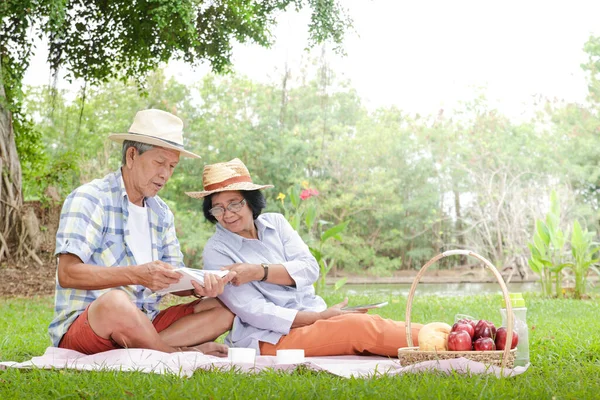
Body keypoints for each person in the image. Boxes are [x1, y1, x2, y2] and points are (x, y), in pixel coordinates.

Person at [185, 158, 422, 357]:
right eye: (218, 208)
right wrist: (318, 317)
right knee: (358, 328)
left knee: (369, 324)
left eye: (234, 203)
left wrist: (260, 271)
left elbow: (310, 269)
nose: (227, 214)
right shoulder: (216, 250)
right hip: (269, 338)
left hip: (312, 317)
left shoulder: (276, 223)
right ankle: (446, 341)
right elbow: (254, 311)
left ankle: (446, 335)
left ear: (251, 200)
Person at [49, 109, 235, 356]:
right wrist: (136, 275)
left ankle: (151, 349)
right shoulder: (91, 198)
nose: (165, 174)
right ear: (132, 155)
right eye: (159, 163)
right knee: (115, 303)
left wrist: (198, 287)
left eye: (171, 166)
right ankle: (176, 355)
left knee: (224, 308)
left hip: (146, 322)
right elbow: (68, 274)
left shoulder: (161, 212)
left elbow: (175, 279)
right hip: (93, 326)